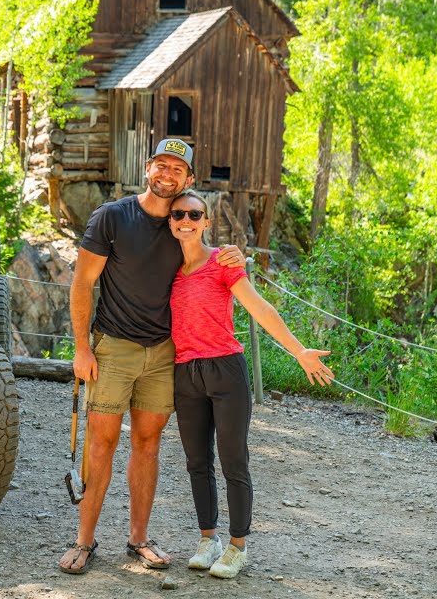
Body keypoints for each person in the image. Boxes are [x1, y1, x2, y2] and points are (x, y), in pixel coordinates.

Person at [58, 139, 244, 575]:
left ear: (189, 179)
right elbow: (83, 282)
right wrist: (82, 347)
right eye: (161, 165)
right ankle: (83, 541)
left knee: (147, 443)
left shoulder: (184, 223)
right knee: (100, 442)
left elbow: (209, 261)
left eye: (177, 170)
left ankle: (138, 539)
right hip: (114, 348)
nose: (167, 175)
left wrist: (237, 255)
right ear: (147, 168)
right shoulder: (113, 217)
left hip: (164, 353)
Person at [166, 189, 334, 579]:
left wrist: (298, 351)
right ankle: (209, 540)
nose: (186, 221)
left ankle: (238, 546)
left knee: (233, 459)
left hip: (226, 370)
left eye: (195, 215)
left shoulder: (223, 263)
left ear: (206, 222)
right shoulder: (168, 270)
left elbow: (259, 307)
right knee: (196, 461)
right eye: (179, 215)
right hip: (186, 372)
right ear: (171, 222)